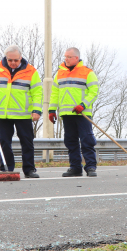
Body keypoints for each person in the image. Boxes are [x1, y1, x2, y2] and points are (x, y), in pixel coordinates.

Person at [0, 45, 42, 178]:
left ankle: (29, 169)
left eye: (15, 60)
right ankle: (7, 168)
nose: (12, 63)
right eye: (10, 60)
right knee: (4, 142)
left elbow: (37, 93)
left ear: (21, 58)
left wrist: (37, 110)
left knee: (27, 142)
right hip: (3, 114)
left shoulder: (31, 71)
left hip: (23, 114)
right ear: (6, 58)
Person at [49, 47, 100, 177]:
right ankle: (75, 167)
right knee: (70, 141)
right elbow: (54, 93)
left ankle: (91, 167)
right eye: (65, 57)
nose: (66, 59)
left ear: (76, 58)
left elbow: (94, 92)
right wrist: (52, 109)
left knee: (86, 140)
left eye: (68, 57)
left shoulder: (87, 72)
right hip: (66, 114)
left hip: (82, 113)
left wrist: (83, 105)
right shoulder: (59, 73)